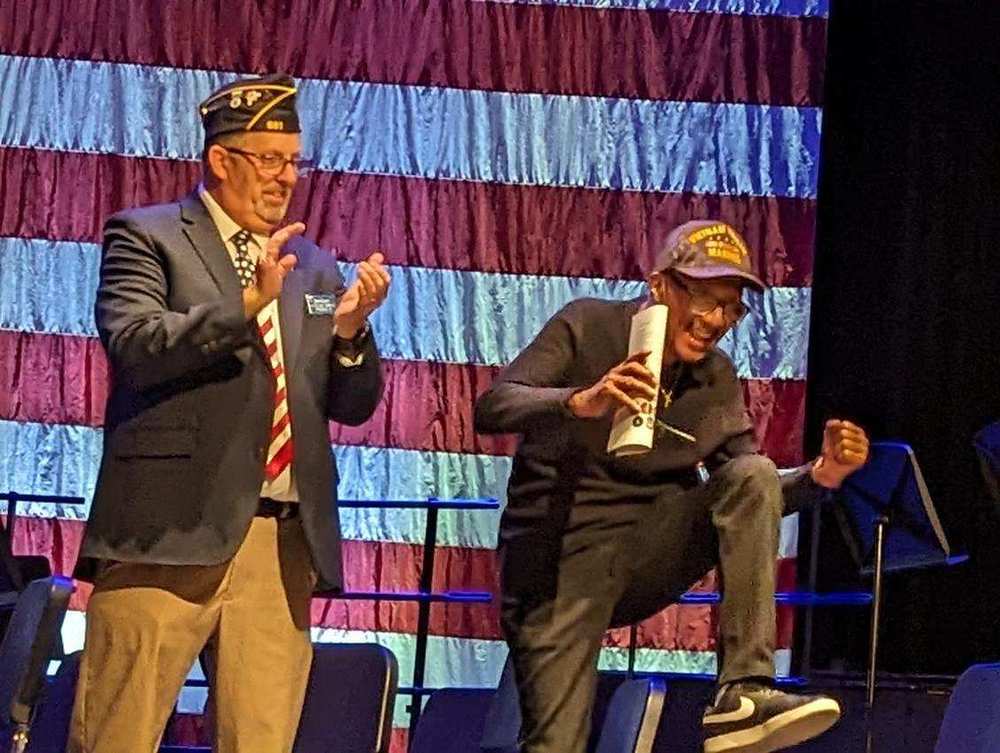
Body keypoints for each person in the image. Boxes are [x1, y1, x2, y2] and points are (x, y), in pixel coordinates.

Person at [68, 74, 390, 753]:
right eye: (270, 159)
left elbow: (350, 404)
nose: (285, 178)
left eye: (294, 161)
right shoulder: (148, 237)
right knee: (115, 735)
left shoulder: (315, 271)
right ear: (221, 159)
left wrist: (353, 333)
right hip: (167, 533)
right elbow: (136, 344)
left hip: (278, 547)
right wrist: (247, 305)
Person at [474, 220, 870, 753]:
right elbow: (494, 406)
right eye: (705, 298)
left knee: (751, 472)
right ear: (660, 285)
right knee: (557, 743)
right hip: (558, 565)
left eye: (730, 308)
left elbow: (748, 491)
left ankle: (743, 692)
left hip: (647, 554)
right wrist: (579, 401)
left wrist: (819, 477)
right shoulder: (588, 325)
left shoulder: (715, 378)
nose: (715, 320)